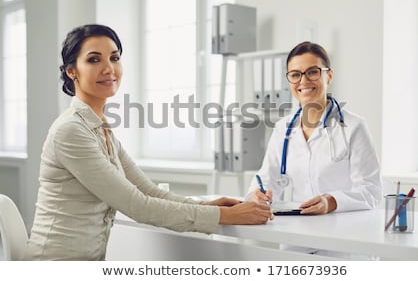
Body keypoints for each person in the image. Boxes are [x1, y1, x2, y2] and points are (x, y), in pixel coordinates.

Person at [25, 24, 271, 260]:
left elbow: (148, 190)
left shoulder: (101, 130)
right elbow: (137, 205)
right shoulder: (71, 131)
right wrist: (222, 216)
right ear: (72, 71)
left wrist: (207, 204)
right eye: (93, 59)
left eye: (114, 57)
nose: (108, 68)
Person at [246, 41, 382, 215]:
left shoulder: (354, 127)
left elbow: (372, 192)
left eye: (312, 72)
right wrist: (258, 194)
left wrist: (332, 201)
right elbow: (265, 179)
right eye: (295, 75)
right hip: (294, 230)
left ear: (329, 76)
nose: (303, 80)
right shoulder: (283, 129)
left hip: (340, 231)